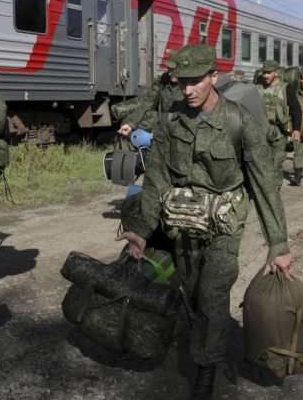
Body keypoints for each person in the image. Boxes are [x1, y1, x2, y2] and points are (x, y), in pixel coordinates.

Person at [120, 45, 293, 399]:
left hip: (224, 224)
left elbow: (263, 184)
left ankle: (205, 367)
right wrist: (140, 231)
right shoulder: (170, 121)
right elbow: (157, 179)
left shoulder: (238, 120)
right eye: (182, 82)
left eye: (196, 81)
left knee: (213, 294)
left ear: (214, 77)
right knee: (193, 290)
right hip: (183, 221)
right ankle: (204, 333)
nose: (188, 90)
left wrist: (278, 244)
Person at [256, 60, 289, 189]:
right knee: (263, 163)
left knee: (276, 163)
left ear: (276, 73)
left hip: (278, 132)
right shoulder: (258, 88)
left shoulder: (284, 88)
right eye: (264, 73)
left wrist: (293, 130)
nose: (265, 75)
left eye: (269, 73)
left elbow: (293, 110)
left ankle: (275, 190)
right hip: (261, 130)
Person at [117, 70, 182, 136]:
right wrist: (130, 124)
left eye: (174, 69)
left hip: (181, 128)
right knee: (133, 122)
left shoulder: (190, 85)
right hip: (164, 123)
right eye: (170, 69)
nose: (170, 73)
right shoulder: (164, 79)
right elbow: (148, 102)